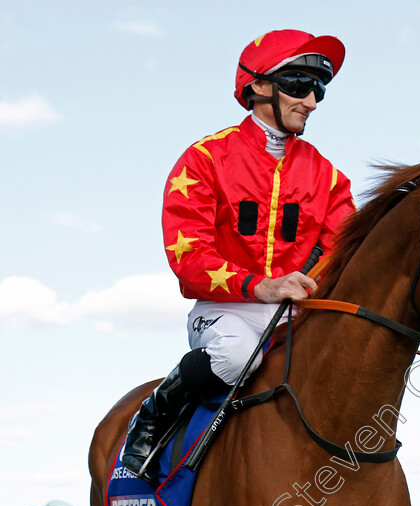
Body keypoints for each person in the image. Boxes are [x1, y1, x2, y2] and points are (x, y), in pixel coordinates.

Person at [121, 28, 356, 482]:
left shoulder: (328, 176)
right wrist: (260, 285)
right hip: (226, 310)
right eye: (299, 85)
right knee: (234, 357)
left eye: (318, 90)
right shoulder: (205, 159)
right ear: (259, 85)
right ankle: (153, 414)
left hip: (298, 314)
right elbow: (188, 257)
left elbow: (343, 248)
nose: (310, 100)